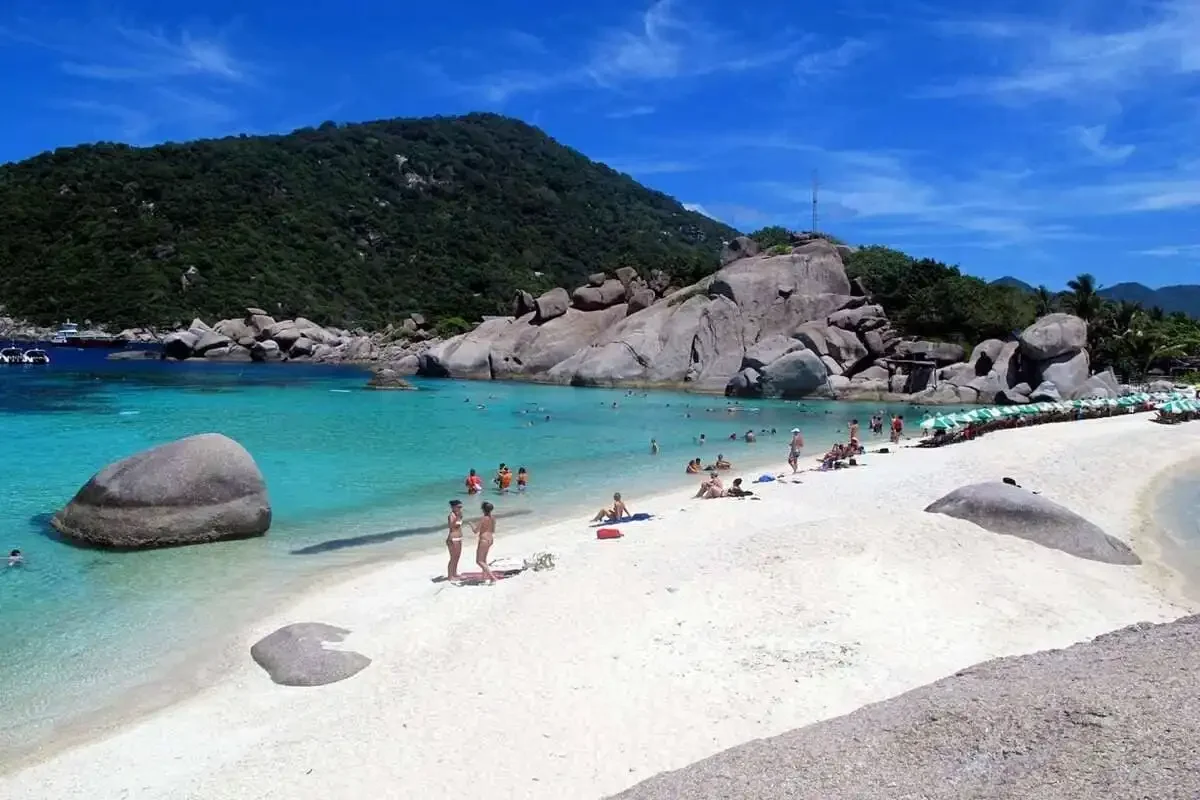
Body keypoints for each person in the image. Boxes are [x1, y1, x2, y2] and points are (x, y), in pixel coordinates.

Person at [468, 501, 498, 585]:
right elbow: (493, 530)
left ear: (483, 510)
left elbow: (475, 531)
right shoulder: (493, 518)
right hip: (490, 539)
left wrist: (471, 524)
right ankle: (484, 577)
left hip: (484, 540)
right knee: (484, 560)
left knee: (479, 561)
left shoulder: (483, 518)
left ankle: (492, 578)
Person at [445, 501, 464, 581]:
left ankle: (454, 573)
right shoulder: (451, 516)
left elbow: (458, 526)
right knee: (453, 558)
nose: (460, 509)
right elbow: (451, 526)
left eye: (461, 507)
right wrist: (457, 517)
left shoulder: (458, 515)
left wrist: (459, 516)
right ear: (453, 507)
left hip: (459, 538)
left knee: (457, 557)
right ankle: (450, 576)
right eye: (458, 507)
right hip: (453, 538)